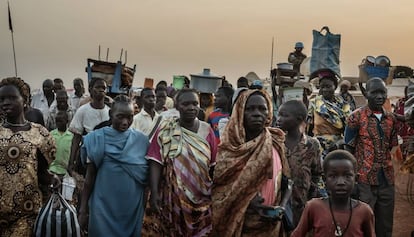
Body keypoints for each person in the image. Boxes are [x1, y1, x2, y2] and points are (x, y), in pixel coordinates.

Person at [212, 89, 291, 236]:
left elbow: (286, 181)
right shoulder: (230, 149)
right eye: (250, 109)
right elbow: (220, 191)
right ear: (241, 112)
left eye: (262, 109)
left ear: (268, 112)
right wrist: (246, 200)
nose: (257, 113)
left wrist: (282, 206)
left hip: (271, 223)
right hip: (240, 222)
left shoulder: (275, 142)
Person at [145, 88, 217, 236]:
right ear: (177, 106)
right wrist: (154, 193)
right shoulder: (166, 130)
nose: (191, 107)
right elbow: (155, 162)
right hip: (172, 198)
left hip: (201, 198)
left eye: (195, 103)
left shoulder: (207, 130)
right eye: (186, 104)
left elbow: (213, 166)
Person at [78, 95, 149, 236]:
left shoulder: (142, 141)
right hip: (103, 207)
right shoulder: (96, 138)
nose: (125, 122)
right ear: (110, 114)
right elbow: (89, 178)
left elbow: (146, 181)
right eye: (120, 117)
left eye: (130, 117)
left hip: (132, 208)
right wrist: (83, 209)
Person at [0, 77, 59, 236]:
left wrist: (52, 179)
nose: (5, 102)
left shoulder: (40, 134)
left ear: (25, 100)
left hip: (26, 211)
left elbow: (40, 172)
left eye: (12, 98)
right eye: (2, 99)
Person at [344, 77, 398, 237]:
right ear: (366, 93)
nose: (379, 96)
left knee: (386, 224)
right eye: (375, 92)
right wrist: (351, 180)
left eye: (383, 92)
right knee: (364, 223)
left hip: (387, 179)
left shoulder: (391, 119)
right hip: (364, 180)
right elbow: (348, 149)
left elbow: (390, 145)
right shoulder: (355, 117)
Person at [291, 150, 375, 237]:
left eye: (347, 176)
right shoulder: (314, 207)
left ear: (356, 179)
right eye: (333, 176)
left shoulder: (364, 211)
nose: (340, 182)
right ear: (325, 179)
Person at [276, 100, 322, 227]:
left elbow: (317, 173)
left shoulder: (311, 145)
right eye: (278, 115)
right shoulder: (275, 143)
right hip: (277, 203)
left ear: (299, 119)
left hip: (301, 203)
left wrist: (312, 198)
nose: (279, 119)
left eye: (284, 116)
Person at [68, 77, 110, 175]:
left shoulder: (110, 112)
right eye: (98, 87)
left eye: (103, 87)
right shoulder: (83, 111)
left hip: (106, 159)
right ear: (90, 89)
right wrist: (71, 162)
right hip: (87, 157)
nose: (101, 90)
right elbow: (76, 138)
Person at [307, 68, 351, 156]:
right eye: (322, 87)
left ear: (335, 87)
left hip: (337, 146)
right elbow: (308, 128)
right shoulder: (314, 103)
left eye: (328, 86)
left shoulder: (343, 105)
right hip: (318, 147)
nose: (325, 90)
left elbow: (348, 128)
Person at [48, 111, 73, 176]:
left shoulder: (71, 136)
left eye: (61, 121)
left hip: (65, 171)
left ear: (67, 121)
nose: (58, 123)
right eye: (57, 121)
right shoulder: (51, 135)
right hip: (52, 169)